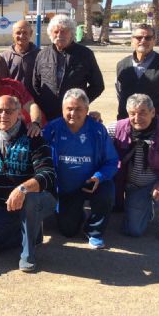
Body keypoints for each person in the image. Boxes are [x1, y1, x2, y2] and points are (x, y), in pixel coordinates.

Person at [0, 95, 57, 272]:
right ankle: (33, 234)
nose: (3, 115)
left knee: (29, 199)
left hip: (41, 200)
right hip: (6, 206)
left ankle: (28, 253)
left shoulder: (33, 137)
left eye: (9, 111)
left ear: (20, 113)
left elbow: (48, 175)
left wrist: (23, 189)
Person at [42, 88, 118, 249]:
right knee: (68, 231)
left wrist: (99, 176)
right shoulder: (52, 129)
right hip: (65, 189)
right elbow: (40, 156)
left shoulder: (97, 130)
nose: (73, 113)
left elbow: (111, 161)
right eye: (69, 109)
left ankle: (94, 231)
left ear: (87, 110)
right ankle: (74, 211)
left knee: (107, 189)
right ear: (62, 109)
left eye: (78, 109)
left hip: (91, 184)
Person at [108, 94, 159, 240]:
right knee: (133, 231)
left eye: (143, 113)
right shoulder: (116, 128)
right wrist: (92, 120)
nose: (137, 118)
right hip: (132, 185)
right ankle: (146, 207)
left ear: (153, 112)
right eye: (133, 113)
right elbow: (97, 137)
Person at [33, 14, 105, 121]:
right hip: (47, 116)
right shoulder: (42, 54)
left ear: (71, 33)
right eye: (56, 32)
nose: (59, 35)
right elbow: (36, 85)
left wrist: (80, 103)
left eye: (64, 31)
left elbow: (98, 85)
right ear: (50, 34)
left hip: (74, 117)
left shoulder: (85, 54)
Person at [115, 23, 159, 120]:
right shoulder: (122, 65)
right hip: (126, 122)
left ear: (154, 41)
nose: (143, 41)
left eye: (148, 38)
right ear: (132, 40)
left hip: (155, 125)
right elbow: (119, 94)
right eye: (139, 37)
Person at [0, 60, 43, 129]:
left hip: (32, 128)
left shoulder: (13, 86)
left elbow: (32, 106)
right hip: (7, 134)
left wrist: (35, 124)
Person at [1, 20, 39, 99]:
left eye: (25, 33)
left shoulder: (40, 55)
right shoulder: (5, 56)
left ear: (31, 33)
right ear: (13, 34)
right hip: (12, 101)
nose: (21, 36)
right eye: (18, 33)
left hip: (34, 101)